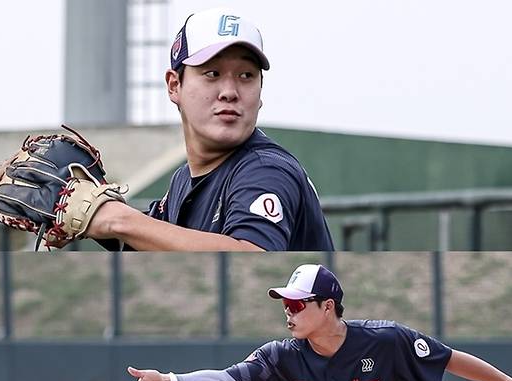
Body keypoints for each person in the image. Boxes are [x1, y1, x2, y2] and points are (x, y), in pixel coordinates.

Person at [121, 263, 512, 381]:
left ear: (328, 307)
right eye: (285, 302)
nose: (288, 310)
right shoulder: (284, 357)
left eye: (298, 303)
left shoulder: (385, 340)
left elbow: (450, 359)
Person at [86, 8, 334, 251]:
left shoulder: (264, 170)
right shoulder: (184, 180)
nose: (229, 92)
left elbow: (250, 254)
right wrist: (92, 217)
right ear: (174, 86)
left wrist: (117, 220)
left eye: (246, 75)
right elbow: (150, 237)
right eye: (212, 73)